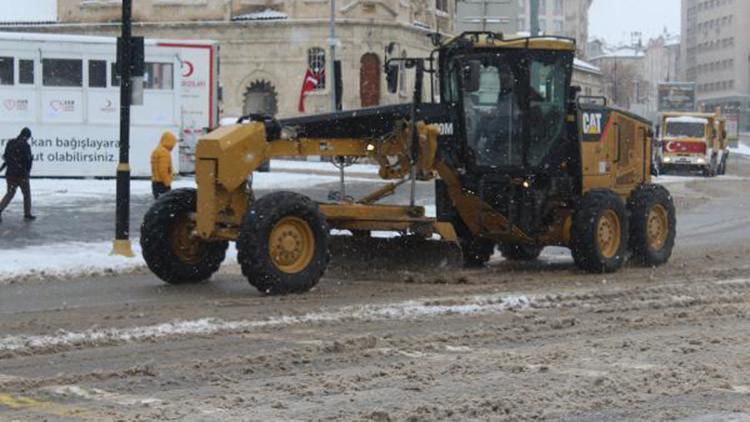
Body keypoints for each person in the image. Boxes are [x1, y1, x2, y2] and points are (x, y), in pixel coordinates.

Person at [0, 127, 36, 223]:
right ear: (27, 136)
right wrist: (27, 172)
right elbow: (28, 161)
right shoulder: (25, 146)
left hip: (10, 174)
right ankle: (27, 213)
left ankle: (0, 209)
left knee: (10, 193)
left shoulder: (11, 143)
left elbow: (6, 157)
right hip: (21, 175)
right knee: (27, 194)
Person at [150, 131, 177, 199]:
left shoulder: (157, 150)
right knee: (165, 205)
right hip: (162, 184)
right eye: (173, 143)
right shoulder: (164, 152)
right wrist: (167, 183)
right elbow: (163, 170)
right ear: (169, 142)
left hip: (155, 182)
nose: (173, 145)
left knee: (159, 205)